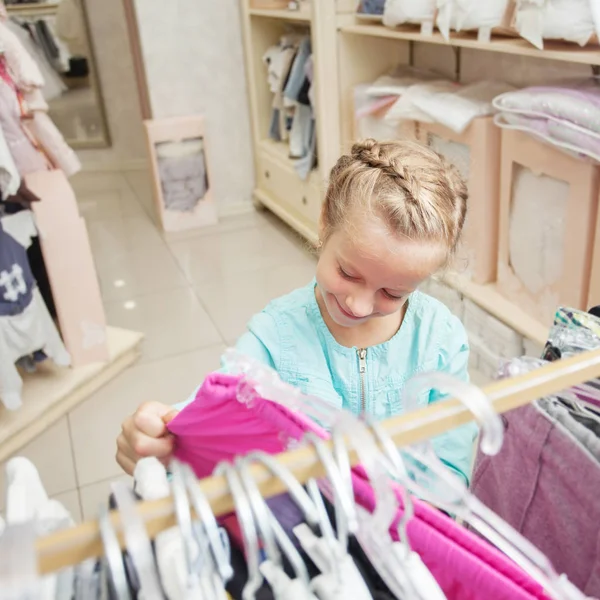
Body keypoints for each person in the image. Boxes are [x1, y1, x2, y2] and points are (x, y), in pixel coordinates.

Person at [116, 138, 478, 482]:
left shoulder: (440, 338)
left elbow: (452, 461)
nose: (358, 304)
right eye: (348, 273)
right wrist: (159, 436)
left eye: (392, 292)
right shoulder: (276, 336)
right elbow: (213, 415)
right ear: (325, 221)